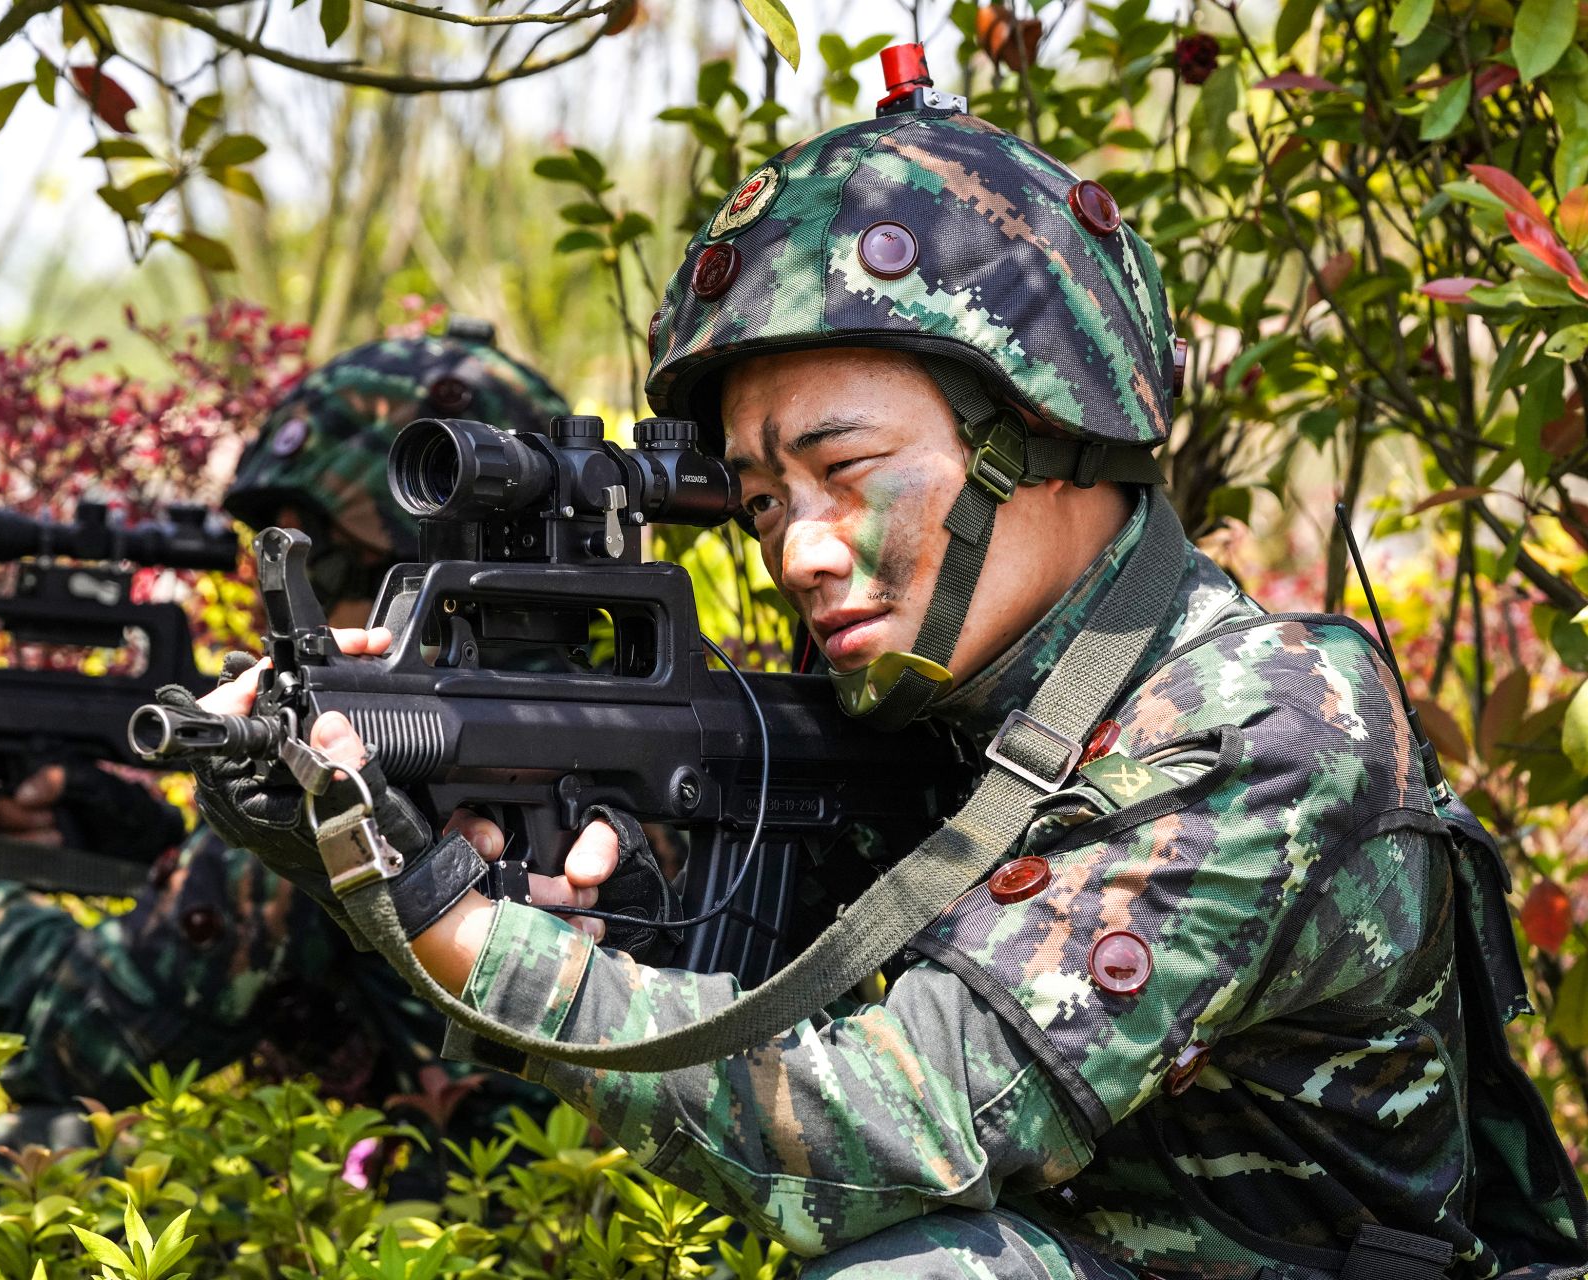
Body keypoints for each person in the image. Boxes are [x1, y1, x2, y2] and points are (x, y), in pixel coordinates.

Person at [185, 55, 1588, 1280]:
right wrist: (401, 798)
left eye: (844, 469)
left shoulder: (1267, 727)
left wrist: (456, 924)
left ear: (1041, 430)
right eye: (755, 499)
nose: (798, 547)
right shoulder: (946, 716)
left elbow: (895, 1128)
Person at [0, 324, 571, 1148]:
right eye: (273, 564)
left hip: (477, 1214)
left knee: (18, 1151)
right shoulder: (612, 706)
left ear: (428, 574)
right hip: (568, 1189)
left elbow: (67, 1035)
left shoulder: (367, 770)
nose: (289, 608)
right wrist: (145, 838)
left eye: (326, 569)